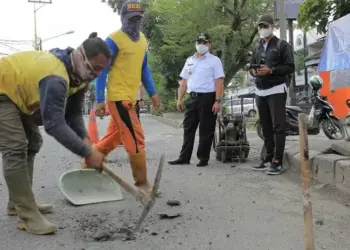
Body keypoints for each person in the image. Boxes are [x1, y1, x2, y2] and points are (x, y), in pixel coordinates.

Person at [0, 32, 110, 235]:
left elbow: (73, 113)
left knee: (33, 142)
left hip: (15, 94)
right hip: (2, 89)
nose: (97, 74)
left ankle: (18, 202)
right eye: (95, 68)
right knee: (15, 147)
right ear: (82, 58)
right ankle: (28, 215)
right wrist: (87, 152)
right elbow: (54, 124)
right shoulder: (56, 77)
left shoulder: (79, 75)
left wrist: (85, 138)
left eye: (101, 70)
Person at [84, 0, 160, 196]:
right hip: (118, 99)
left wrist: (153, 93)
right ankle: (142, 183)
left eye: (138, 19)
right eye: (131, 19)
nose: (134, 23)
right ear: (123, 19)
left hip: (131, 98)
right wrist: (100, 99)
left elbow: (144, 69)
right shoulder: (114, 40)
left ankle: (88, 162)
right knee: (135, 138)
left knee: (113, 137)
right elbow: (102, 70)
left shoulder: (143, 40)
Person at [168, 32, 225, 167]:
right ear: (195, 44)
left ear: (209, 44)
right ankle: (184, 157)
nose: (202, 45)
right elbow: (184, 81)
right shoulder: (190, 61)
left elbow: (219, 81)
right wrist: (179, 99)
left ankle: (203, 158)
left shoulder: (214, 61)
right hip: (192, 98)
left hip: (208, 98)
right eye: (199, 42)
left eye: (205, 42)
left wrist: (218, 101)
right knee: (188, 129)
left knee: (206, 130)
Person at [250, 15, 295, 175]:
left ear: (272, 26)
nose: (263, 29)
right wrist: (254, 71)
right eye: (260, 26)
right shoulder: (258, 47)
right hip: (260, 90)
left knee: (278, 127)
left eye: (265, 25)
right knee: (266, 127)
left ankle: (277, 161)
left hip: (276, 89)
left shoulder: (282, 45)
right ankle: (268, 158)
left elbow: (290, 67)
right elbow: (252, 66)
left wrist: (272, 70)